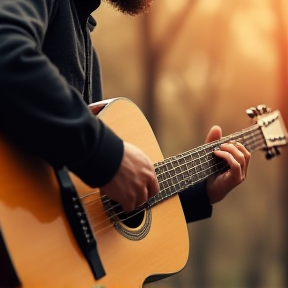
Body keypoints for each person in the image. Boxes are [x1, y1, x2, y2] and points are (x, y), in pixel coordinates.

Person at [0, 0, 250, 285]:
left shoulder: (85, 47)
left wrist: (201, 191)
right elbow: (6, 47)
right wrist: (108, 157)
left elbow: (90, 204)